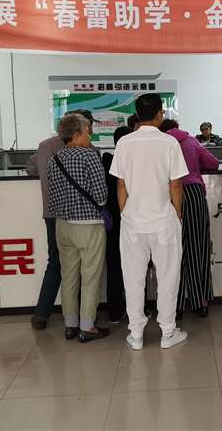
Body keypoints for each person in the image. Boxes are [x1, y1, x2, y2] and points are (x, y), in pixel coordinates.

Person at [110, 94, 190, 350]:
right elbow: (175, 183)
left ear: (137, 114)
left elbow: (120, 184)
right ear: (160, 115)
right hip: (163, 220)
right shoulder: (169, 142)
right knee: (168, 277)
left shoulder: (124, 143)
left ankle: (136, 334)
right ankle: (168, 332)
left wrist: (125, 212)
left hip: (133, 221)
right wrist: (177, 212)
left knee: (133, 278)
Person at [26, 109, 95, 331]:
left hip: (53, 213)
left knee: (56, 264)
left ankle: (42, 314)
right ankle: (85, 318)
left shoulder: (45, 146)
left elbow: (30, 168)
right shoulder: (87, 149)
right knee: (85, 267)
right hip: (82, 217)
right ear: (80, 129)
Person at [47, 114, 109, 343]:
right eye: (87, 132)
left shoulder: (54, 159)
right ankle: (87, 327)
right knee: (90, 277)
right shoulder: (90, 156)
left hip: (62, 225)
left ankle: (70, 324)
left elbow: (53, 195)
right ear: (76, 134)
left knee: (69, 276)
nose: (89, 136)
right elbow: (101, 195)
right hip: (88, 225)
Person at [160, 119, 219, 318]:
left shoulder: (161, 143)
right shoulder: (191, 141)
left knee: (172, 252)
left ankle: (174, 306)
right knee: (197, 248)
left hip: (168, 196)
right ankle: (200, 302)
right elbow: (213, 162)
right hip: (193, 195)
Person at [101, 125, 132, 323]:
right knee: (135, 267)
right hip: (130, 220)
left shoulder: (106, 161)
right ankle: (136, 311)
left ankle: (114, 310)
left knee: (113, 265)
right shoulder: (133, 162)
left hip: (111, 222)